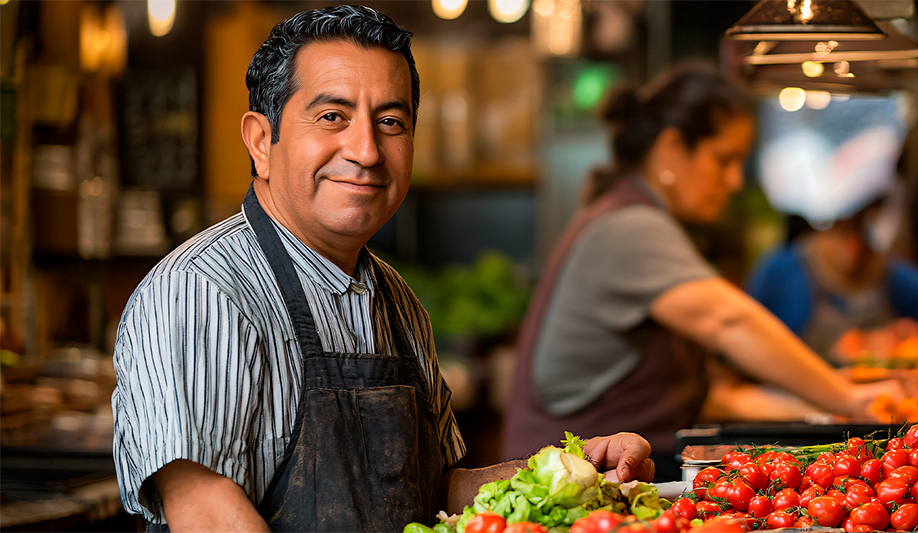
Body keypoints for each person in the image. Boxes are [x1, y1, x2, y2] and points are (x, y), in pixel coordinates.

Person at [111, 6, 652, 532]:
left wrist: (570, 476)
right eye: (332, 117)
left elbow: (430, 491)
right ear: (260, 140)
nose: (367, 150)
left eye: (391, 121)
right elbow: (204, 514)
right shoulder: (202, 292)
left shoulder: (395, 300)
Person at [501, 65, 904, 476]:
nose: (733, 182)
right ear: (672, 148)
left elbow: (707, 397)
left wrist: (825, 415)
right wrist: (850, 399)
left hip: (616, 477)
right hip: (564, 490)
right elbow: (728, 321)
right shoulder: (630, 227)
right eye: (724, 160)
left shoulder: (630, 216)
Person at [744, 199, 918, 364]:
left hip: (882, 398)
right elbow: (744, 340)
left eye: (860, 232)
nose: (852, 249)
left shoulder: (892, 274)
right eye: (841, 233)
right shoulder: (779, 272)